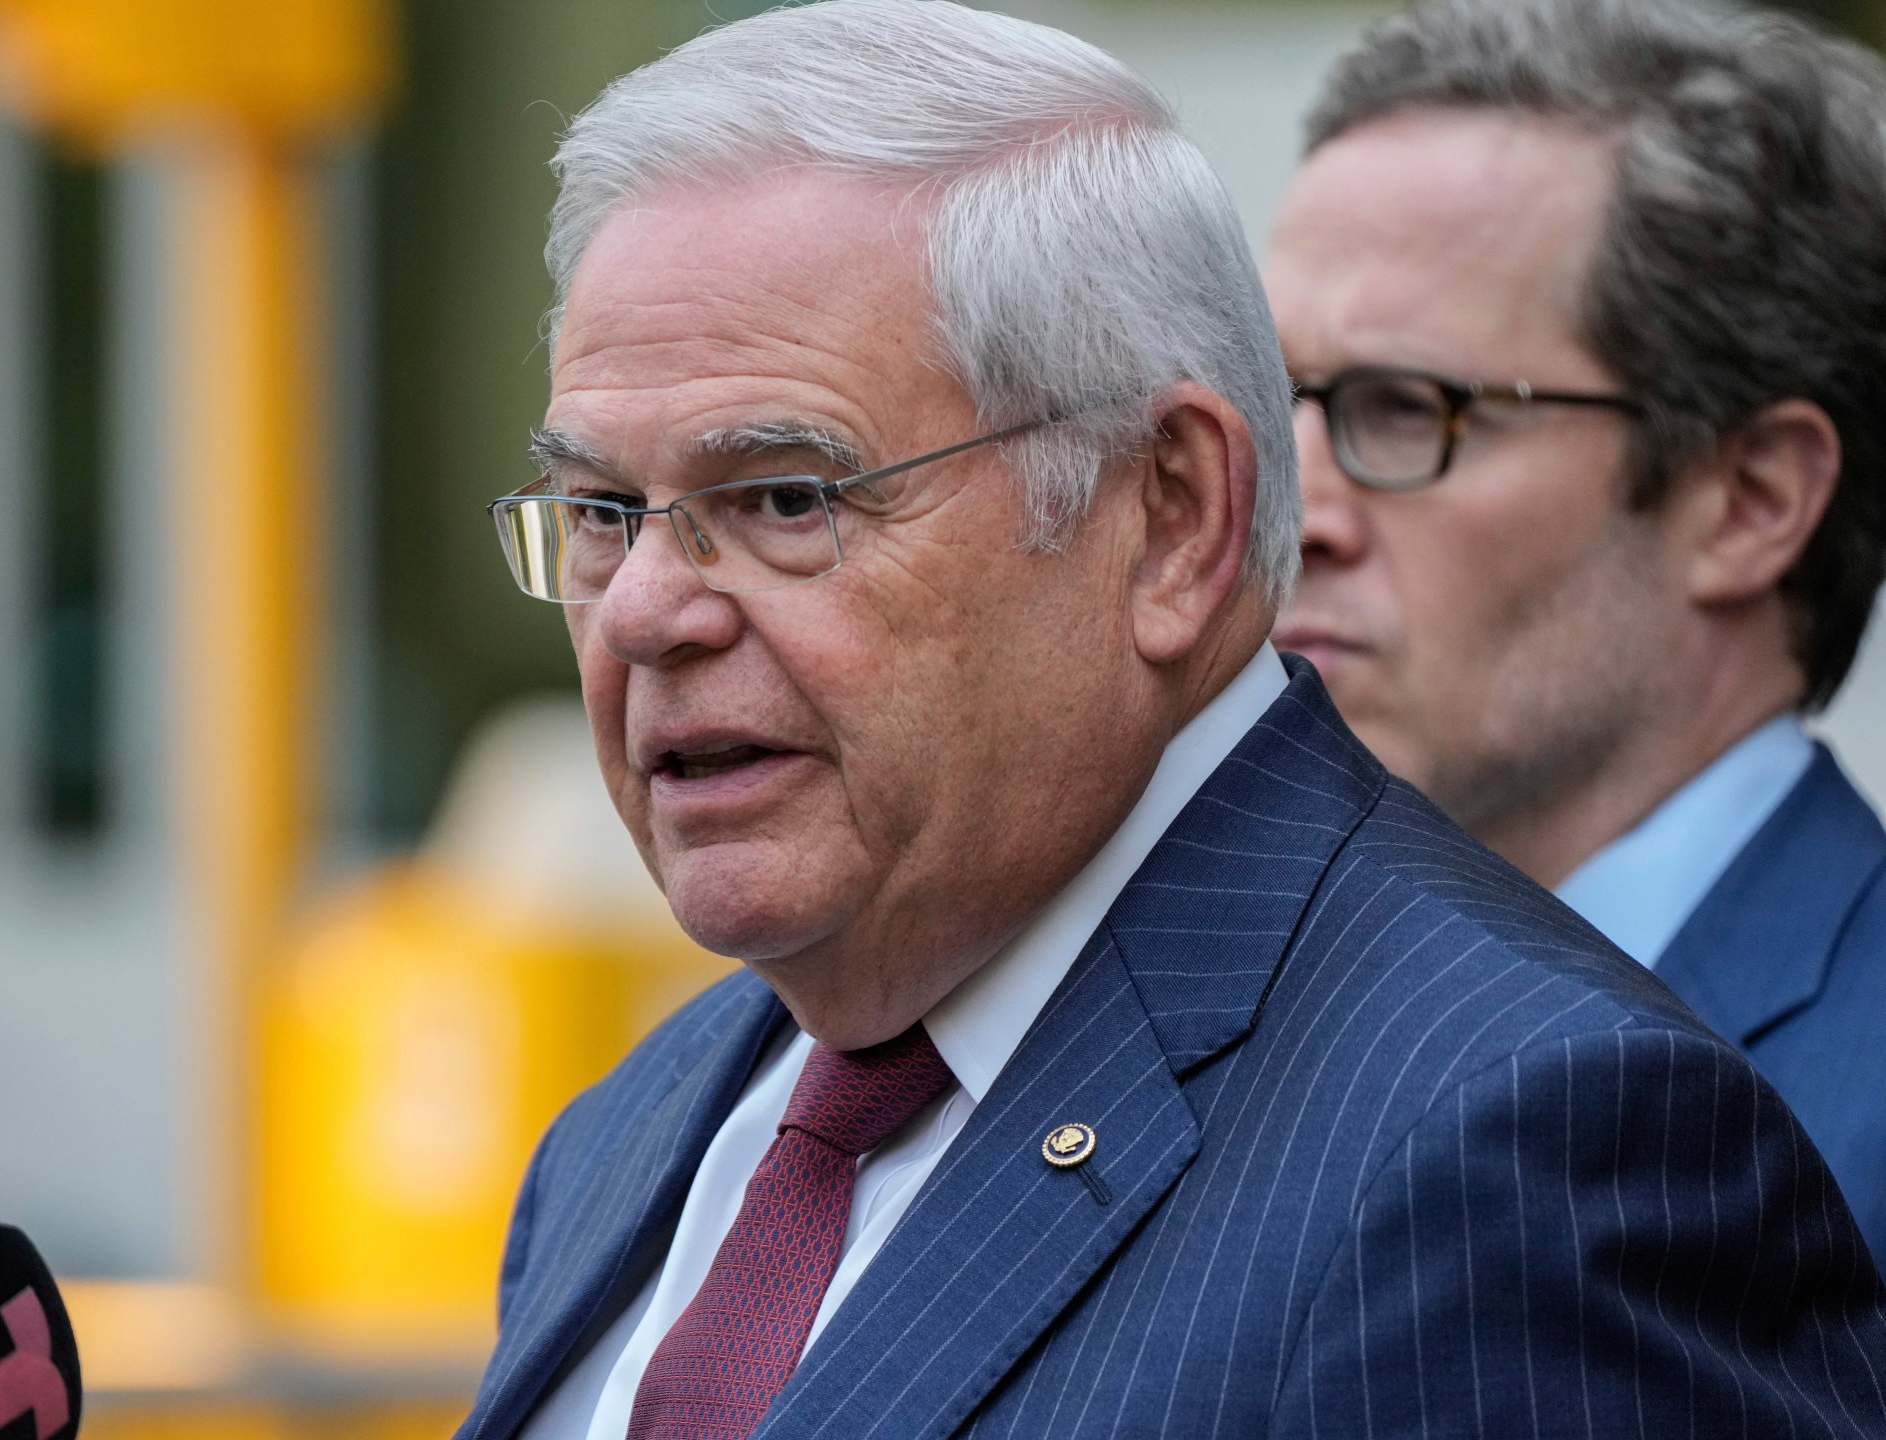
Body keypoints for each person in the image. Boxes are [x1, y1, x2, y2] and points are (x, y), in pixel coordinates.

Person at [458, 2, 1886, 1436]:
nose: (644, 610)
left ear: (1172, 517)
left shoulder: (1515, 1149)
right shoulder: (636, 1133)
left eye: (787, 498)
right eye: (600, 512)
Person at [1266, 0, 1886, 1258]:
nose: (1288, 515)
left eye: (1405, 408)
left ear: (1749, 501)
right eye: (1262, 403)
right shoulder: (1196, 1026)